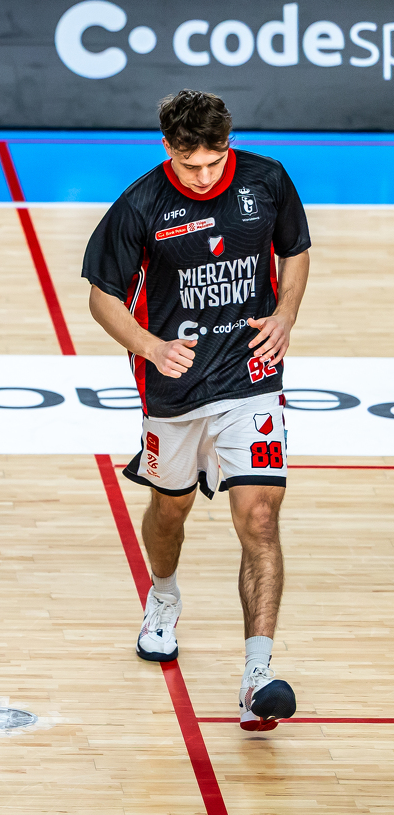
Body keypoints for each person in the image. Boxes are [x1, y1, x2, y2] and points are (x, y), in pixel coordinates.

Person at [82, 89, 311, 732]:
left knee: (260, 518)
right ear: (168, 149)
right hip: (174, 388)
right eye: (190, 165)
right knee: (170, 509)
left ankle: (257, 677)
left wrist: (286, 313)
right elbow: (101, 297)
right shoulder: (141, 204)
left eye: (214, 162)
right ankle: (163, 596)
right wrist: (149, 346)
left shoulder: (267, 181)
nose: (204, 176)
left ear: (227, 146)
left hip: (251, 375)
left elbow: (295, 249)